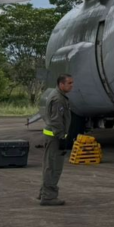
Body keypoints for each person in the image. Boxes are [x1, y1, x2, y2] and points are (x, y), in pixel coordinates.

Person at [39, 74, 73, 206]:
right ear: (61, 84)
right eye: (69, 83)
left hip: (52, 136)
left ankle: (44, 192)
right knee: (53, 167)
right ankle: (48, 196)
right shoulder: (58, 99)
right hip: (55, 137)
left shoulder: (57, 95)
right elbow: (56, 121)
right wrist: (61, 137)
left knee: (49, 165)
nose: (72, 85)